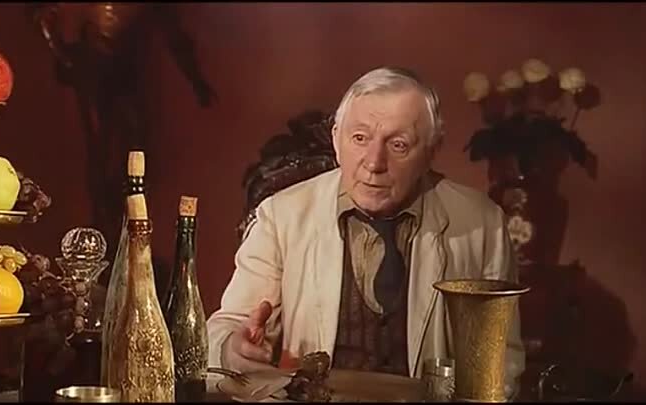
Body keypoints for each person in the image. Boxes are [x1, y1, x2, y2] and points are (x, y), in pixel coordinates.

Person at [207, 66, 525, 397]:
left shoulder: (481, 225)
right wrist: (233, 348)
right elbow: (223, 330)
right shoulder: (282, 216)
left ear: (431, 151)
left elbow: (503, 362)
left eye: (398, 145)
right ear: (336, 139)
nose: (374, 163)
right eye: (360, 138)